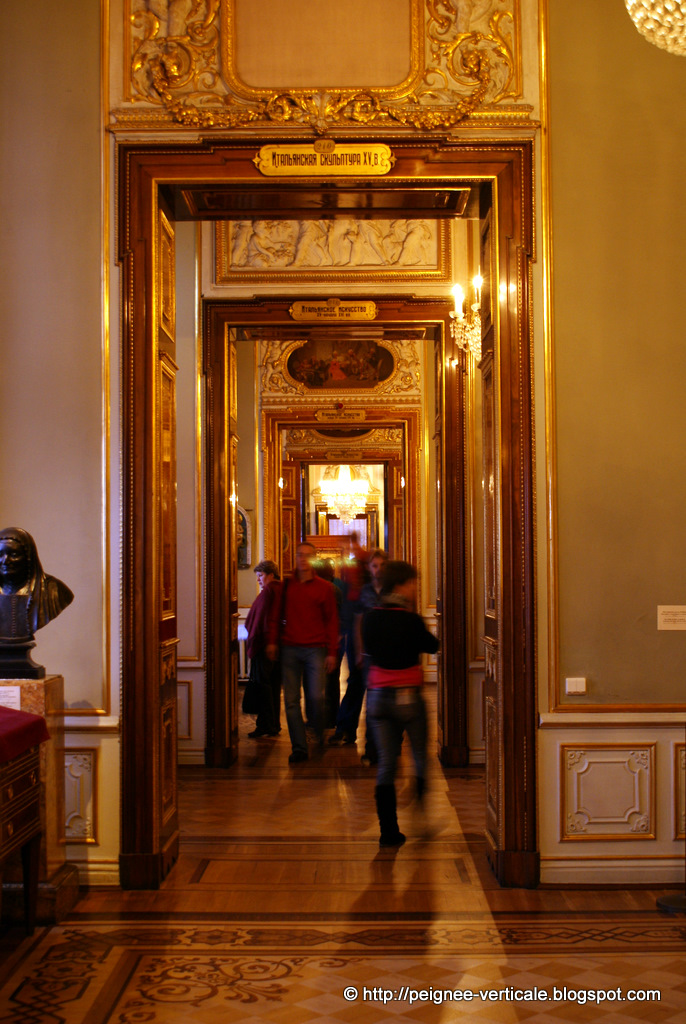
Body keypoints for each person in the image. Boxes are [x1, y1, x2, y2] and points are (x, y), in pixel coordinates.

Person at [362, 560, 439, 848]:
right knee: (419, 757)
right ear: (401, 584)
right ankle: (420, 816)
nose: (415, 588)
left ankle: (389, 831)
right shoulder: (411, 620)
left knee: (386, 764)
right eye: (412, 583)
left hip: (378, 698)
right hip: (408, 696)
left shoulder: (370, 618)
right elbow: (432, 646)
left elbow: (371, 650)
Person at [268, 542, 339, 763]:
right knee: (291, 701)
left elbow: (332, 622)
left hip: (316, 649)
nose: (303, 559)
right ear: (296, 557)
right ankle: (299, 747)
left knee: (316, 697)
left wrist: (332, 652)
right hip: (290, 648)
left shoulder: (324, 588)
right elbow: (275, 616)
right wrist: (272, 642)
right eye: (300, 555)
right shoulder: (286, 586)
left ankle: (317, 729)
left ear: (314, 559)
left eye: (308, 555)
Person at [243, 559, 282, 738]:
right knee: (273, 686)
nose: (258, 579)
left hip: (264, 645)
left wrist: (255, 640)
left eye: (261, 575)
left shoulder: (269, 591)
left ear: (271, 575)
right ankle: (273, 724)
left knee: (263, 686)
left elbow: (262, 620)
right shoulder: (281, 590)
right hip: (277, 644)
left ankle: (266, 725)